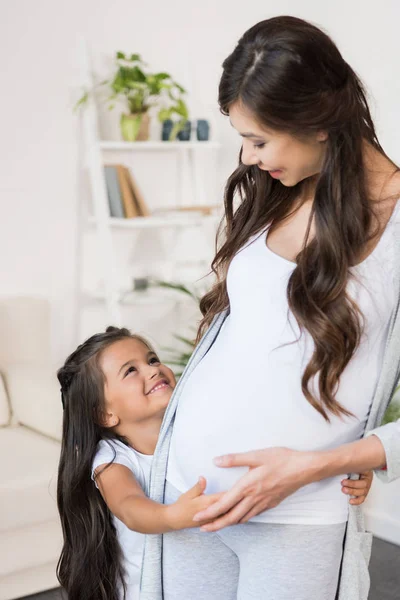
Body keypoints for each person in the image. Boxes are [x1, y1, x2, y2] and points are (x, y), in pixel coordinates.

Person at [139, 15, 400, 600]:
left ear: (319, 123)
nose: (249, 158)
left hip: (299, 517)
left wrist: (325, 464)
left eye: (259, 140)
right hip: (188, 495)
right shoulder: (280, 187)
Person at [56, 326, 228, 600]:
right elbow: (128, 506)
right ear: (105, 414)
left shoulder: (189, 433)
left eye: (152, 360)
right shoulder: (112, 457)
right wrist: (171, 516)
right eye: (130, 371)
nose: (152, 370)